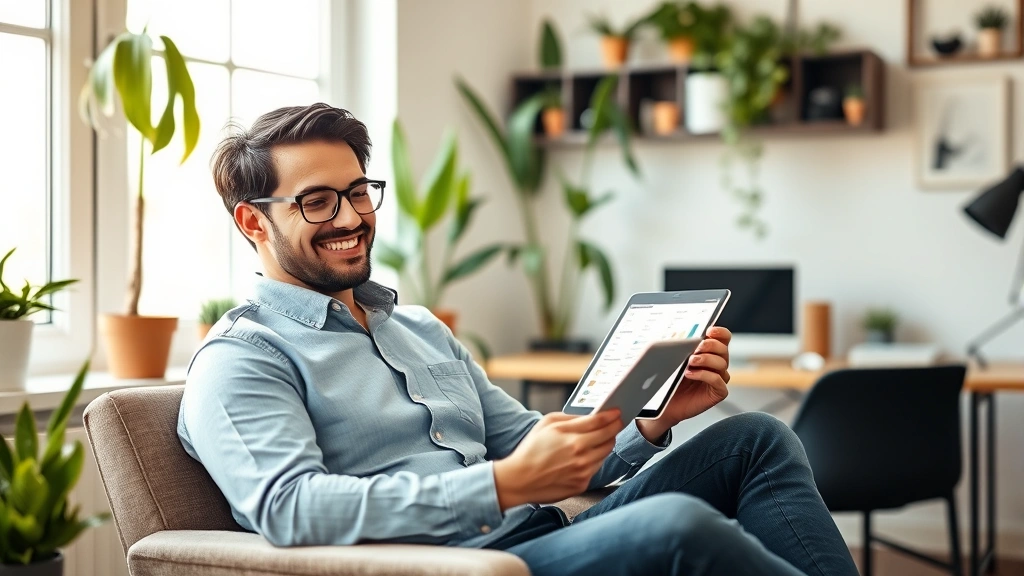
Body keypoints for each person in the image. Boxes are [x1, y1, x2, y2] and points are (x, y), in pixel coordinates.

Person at [179, 103, 858, 576]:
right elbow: (288, 507)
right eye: (317, 201)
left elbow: (541, 448)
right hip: (457, 568)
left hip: (542, 539)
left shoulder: (417, 328)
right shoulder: (244, 357)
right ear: (252, 222)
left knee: (757, 439)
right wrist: (499, 487)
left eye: (359, 192)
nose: (351, 217)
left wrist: (652, 421)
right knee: (676, 525)